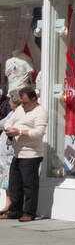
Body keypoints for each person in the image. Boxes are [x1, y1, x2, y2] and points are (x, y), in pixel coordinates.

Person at [1, 85, 47, 221]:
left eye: (26, 103)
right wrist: (9, 128)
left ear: (34, 99)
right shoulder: (20, 109)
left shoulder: (41, 112)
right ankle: (15, 211)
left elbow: (39, 133)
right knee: (15, 184)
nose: (23, 105)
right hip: (17, 152)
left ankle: (29, 213)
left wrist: (19, 132)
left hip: (31, 154)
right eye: (21, 102)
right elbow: (9, 120)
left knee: (29, 185)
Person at [0, 94, 21, 213]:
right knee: (5, 181)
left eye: (10, 101)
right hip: (4, 152)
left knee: (11, 180)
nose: (8, 103)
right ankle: (7, 204)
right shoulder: (10, 113)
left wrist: (4, 126)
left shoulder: (19, 114)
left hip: (11, 152)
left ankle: (12, 205)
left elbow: (7, 126)